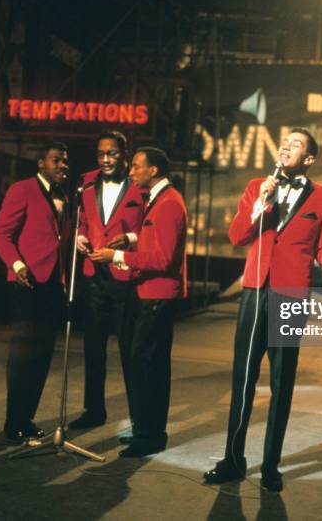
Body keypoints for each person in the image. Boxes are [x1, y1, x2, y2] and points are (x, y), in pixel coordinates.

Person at [203, 128, 322, 492]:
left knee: (281, 383)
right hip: (254, 291)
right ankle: (233, 460)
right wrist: (258, 205)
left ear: (310, 158)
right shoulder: (257, 186)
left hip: (290, 296)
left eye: (296, 144)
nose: (286, 146)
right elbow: (237, 237)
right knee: (243, 379)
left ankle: (271, 465)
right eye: (284, 141)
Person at [100, 147, 187, 457]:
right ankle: (148, 432)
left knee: (146, 365)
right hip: (152, 294)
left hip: (157, 296)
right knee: (149, 365)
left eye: (137, 166)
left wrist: (118, 256)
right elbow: (158, 239)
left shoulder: (168, 204)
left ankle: (148, 436)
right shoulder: (163, 200)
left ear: (154, 171)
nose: (131, 171)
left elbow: (163, 258)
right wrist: (132, 239)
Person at [0, 142, 70, 443]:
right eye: (56, 160)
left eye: (65, 161)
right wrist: (16, 263)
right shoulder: (22, 189)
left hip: (52, 284)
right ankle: (14, 422)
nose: (62, 165)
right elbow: (0, 233)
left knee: (43, 354)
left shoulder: (64, 195)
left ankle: (26, 418)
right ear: (41, 163)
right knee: (23, 354)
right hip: (27, 283)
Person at [69, 130, 147, 431]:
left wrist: (129, 238)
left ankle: (138, 415)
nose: (105, 159)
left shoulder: (139, 185)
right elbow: (85, 220)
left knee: (130, 349)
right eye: (101, 154)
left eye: (112, 154)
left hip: (124, 275)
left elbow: (149, 230)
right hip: (93, 275)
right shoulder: (86, 182)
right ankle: (93, 410)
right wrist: (80, 236)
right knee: (93, 348)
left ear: (124, 155)